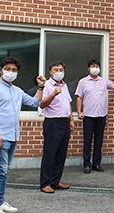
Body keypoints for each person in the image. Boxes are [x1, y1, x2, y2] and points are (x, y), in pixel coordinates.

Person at [0, 57, 46, 213]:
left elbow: (34, 102)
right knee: (0, 171)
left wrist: (40, 87)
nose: (11, 72)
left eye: (14, 70)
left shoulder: (16, 91)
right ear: (1, 70)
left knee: (4, 171)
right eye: (8, 69)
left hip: (12, 136)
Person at [75, 59, 114, 174]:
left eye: (97, 66)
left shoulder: (104, 81)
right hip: (88, 115)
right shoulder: (83, 82)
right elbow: (79, 97)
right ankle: (86, 164)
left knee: (99, 141)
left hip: (101, 115)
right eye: (92, 66)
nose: (95, 68)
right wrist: (79, 112)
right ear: (88, 68)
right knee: (87, 141)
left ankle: (96, 164)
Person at [39, 61, 75, 193]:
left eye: (61, 69)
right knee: (50, 153)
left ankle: (55, 181)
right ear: (50, 72)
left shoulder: (64, 85)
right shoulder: (47, 85)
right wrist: (53, 93)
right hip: (52, 122)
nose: (59, 72)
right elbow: (42, 104)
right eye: (56, 69)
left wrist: (71, 119)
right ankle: (45, 183)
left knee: (61, 153)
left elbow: (68, 103)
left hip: (64, 122)